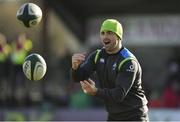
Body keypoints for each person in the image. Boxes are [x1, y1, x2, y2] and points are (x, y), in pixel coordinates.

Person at [71, 19, 149, 121]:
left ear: (118, 36)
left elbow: (118, 94)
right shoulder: (97, 55)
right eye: (102, 33)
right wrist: (75, 67)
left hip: (134, 116)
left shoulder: (128, 61)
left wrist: (96, 91)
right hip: (114, 116)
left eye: (110, 33)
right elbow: (79, 77)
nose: (105, 36)